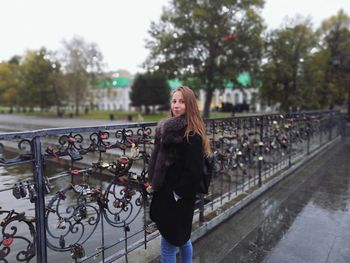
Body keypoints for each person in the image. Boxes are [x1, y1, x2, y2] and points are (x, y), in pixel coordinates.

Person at [148, 86, 211, 263]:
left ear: (190, 105)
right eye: (174, 101)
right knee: (182, 238)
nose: (176, 105)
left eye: (182, 102)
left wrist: (176, 194)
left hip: (177, 197)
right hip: (167, 193)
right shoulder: (167, 128)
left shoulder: (191, 134)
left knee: (168, 243)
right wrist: (154, 180)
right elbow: (159, 160)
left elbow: (194, 171)